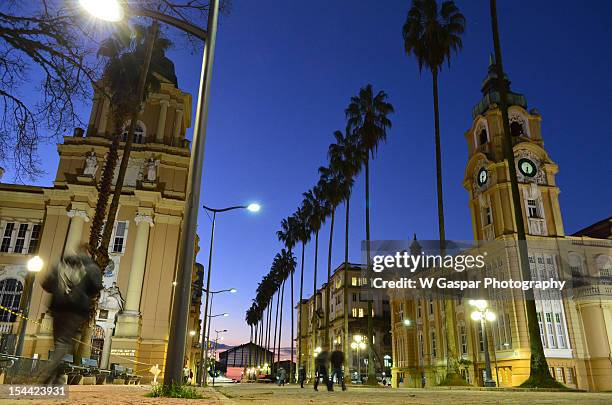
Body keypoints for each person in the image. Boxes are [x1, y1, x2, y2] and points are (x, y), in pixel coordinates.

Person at [37, 246, 103, 384]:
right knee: (64, 343)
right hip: (76, 310)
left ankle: (57, 377)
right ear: (89, 253)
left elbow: (46, 284)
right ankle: (47, 371)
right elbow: (95, 288)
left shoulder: (60, 265)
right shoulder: (91, 267)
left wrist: (60, 288)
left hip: (58, 308)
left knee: (60, 343)